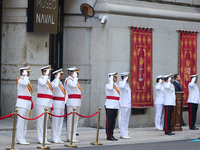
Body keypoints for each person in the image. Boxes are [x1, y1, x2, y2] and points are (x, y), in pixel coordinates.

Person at [16, 66, 33, 145]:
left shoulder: (26, 80)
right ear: (23, 73)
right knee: (21, 122)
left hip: (27, 103)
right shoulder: (20, 80)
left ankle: (23, 137)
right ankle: (20, 138)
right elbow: (25, 84)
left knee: (25, 122)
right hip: (22, 103)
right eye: (27, 72)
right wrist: (25, 76)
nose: (29, 73)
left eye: (28, 72)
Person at [36, 65, 53, 145]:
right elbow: (43, 84)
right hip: (41, 103)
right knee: (41, 122)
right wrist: (45, 75)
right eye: (47, 71)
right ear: (44, 72)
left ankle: (44, 138)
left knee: (45, 122)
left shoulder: (48, 80)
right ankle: (40, 138)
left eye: (49, 71)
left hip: (47, 103)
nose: (49, 72)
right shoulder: (41, 79)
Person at [64, 67, 81, 143]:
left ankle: (73, 136)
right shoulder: (68, 80)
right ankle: (69, 137)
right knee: (71, 120)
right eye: (76, 73)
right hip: (71, 102)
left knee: (75, 121)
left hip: (77, 102)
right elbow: (73, 86)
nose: (78, 74)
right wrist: (75, 77)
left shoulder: (74, 80)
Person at [51, 69, 65, 144]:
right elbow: (55, 87)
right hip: (56, 103)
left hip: (61, 103)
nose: (62, 76)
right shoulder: (54, 82)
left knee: (60, 122)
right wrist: (57, 78)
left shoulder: (61, 83)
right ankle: (54, 137)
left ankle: (58, 136)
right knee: (55, 122)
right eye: (60, 74)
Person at [105, 72, 120, 141]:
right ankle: (108, 135)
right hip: (109, 105)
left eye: (116, 77)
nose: (116, 78)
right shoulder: (108, 85)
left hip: (115, 105)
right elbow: (111, 88)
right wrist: (110, 80)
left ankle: (112, 134)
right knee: (109, 121)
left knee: (113, 122)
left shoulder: (116, 85)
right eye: (114, 77)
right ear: (111, 77)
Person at [119, 72, 131, 139]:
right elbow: (121, 87)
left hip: (128, 104)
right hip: (124, 104)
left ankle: (125, 133)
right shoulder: (121, 83)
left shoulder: (127, 84)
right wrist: (124, 80)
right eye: (128, 77)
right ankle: (122, 133)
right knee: (123, 120)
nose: (129, 79)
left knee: (126, 120)